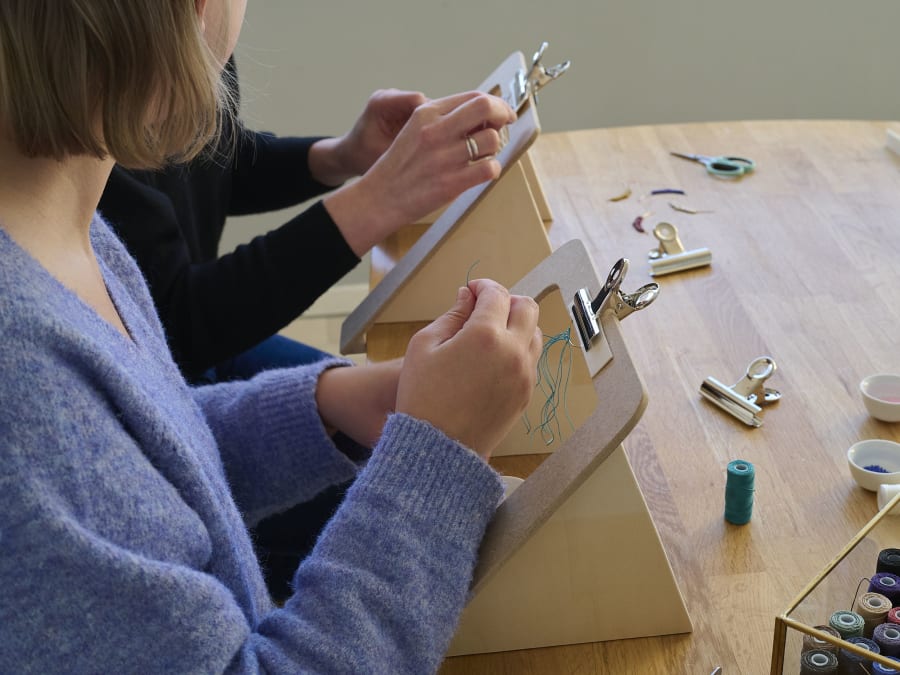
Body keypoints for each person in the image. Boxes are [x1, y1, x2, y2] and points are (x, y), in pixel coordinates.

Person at [0, 2, 542, 673]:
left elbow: (138, 459)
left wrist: (325, 403)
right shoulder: (22, 382)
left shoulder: (62, 236)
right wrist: (435, 456)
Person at [100, 18, 519, 601]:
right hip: (169, 379)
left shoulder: (169, 64)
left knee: (377, 435)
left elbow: (203, 158)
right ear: (199, 7)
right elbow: (176, 326)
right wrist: (377, 200)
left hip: (197, 368)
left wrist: (337, 158)